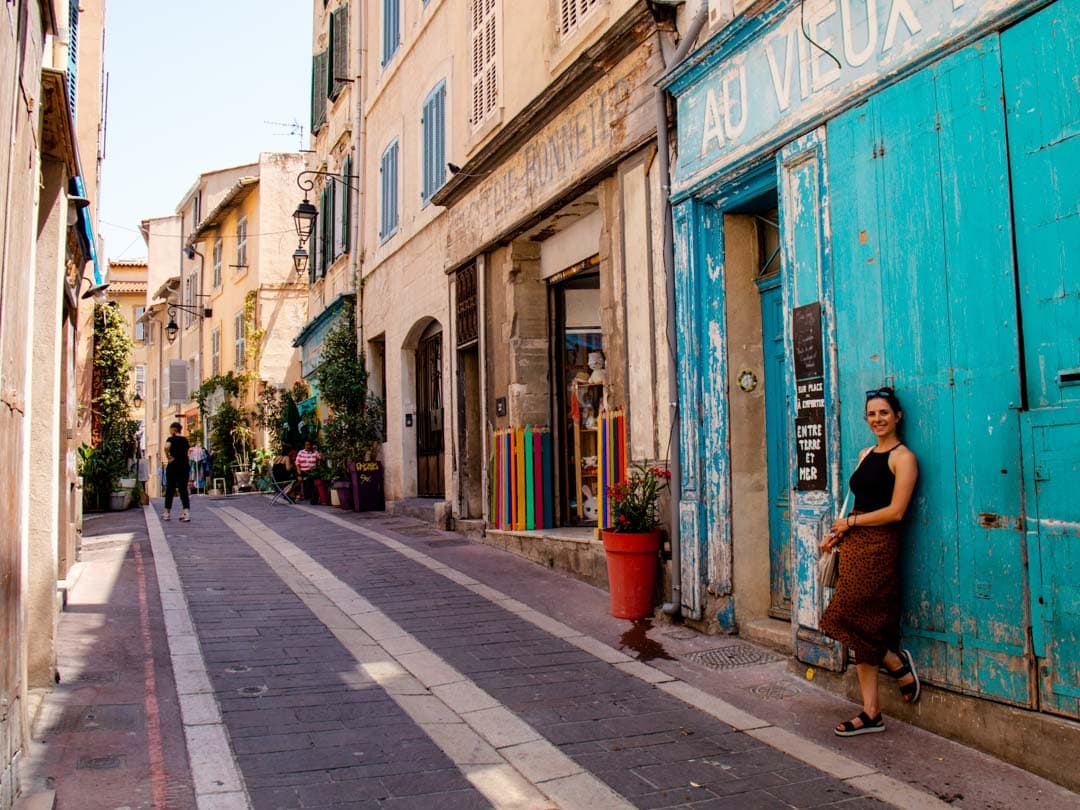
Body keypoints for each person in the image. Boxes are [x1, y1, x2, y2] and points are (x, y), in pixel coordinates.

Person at [819, 386, 920, 736]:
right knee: (862, 623)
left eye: (884, 413)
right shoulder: (866, 454)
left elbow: (895, 512)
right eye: (872, 414)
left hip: (879, 546)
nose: (877, 419)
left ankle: (894, 661)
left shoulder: (902, 457)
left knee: (843, 615)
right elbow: (856, 501)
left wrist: (852, 523)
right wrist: (839, 533)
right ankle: (871, 711)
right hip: (854, 544)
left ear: (897, 417)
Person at [162, 422, 191, 522]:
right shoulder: (185, 440)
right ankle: (186, 513)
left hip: (173, 466)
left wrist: (168, 456)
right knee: (183, 489)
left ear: (173, 429)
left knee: (170, 489)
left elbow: (166, 447)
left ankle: (167, 513)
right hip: (184, 466)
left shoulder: (171, 439)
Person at [294, 440, 321, 505]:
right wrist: (299, 474)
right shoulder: (301, 452)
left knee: (312, 481)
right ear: (304, 445)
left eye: (309, 445)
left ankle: (312, 498)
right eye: (306, 445)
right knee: (299, 480)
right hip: (302, 471)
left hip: (312, 472)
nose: (308, 446)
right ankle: (292, 494)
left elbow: (321, 458)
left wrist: (315, 449)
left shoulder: (315, 452)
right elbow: (297, 463)